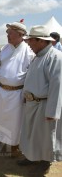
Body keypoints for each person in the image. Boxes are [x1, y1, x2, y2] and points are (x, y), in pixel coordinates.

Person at [17, 25, 62, 174]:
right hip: (32, 104)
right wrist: (26, 95)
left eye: (31, 41)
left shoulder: (56, 57)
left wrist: (52, 112)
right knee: (30, 133)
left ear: (41, 41)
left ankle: (45, 162)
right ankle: (31, 156)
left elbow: (57, 86)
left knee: (45, 137)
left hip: (45, 105)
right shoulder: (38, 55)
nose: (28, 44)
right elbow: (31, 78)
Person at [0, 20, 34, 156]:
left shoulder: (29, 51)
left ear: (20, 35)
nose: (7, 35)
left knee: (15, 122)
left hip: (17, 93)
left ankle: (14, 148)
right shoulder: (5, 48)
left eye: (10, 33)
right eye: (7, 32)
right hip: (0, 91)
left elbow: (31, 74)